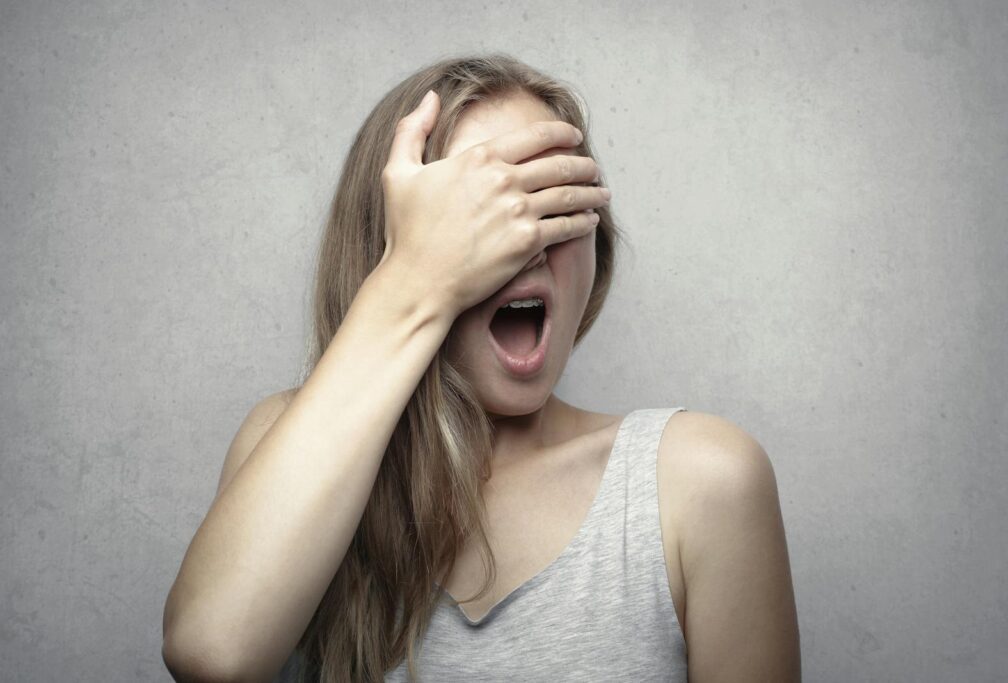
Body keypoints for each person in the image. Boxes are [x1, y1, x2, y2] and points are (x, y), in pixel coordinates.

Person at [161, 53, 800, 683]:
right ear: (389, 248)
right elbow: (214, 655)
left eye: (552, 201)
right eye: (479, 212)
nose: (523, 238)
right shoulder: (284, 441)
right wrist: (411, 287)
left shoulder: (699, 482)